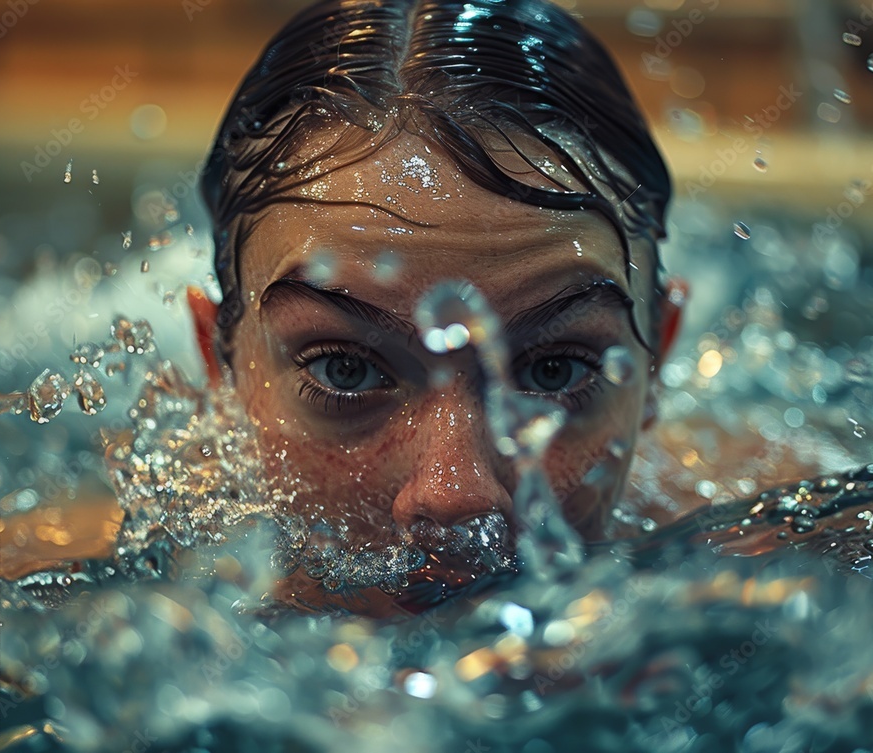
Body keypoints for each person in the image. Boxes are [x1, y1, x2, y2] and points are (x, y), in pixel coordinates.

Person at [185, 0, 686, 611]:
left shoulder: (772, 559)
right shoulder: (84, 596)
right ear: (222, 364)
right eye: (345, 369)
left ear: (656, 357)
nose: (456, 497)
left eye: (554, 370)